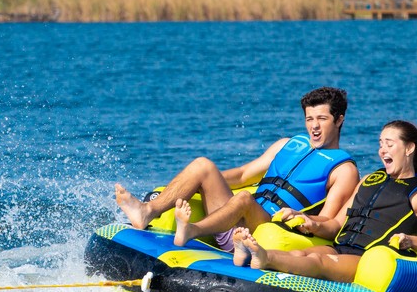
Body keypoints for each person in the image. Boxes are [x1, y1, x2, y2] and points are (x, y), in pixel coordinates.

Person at [113, 87, 360, 247]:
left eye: (322, 119)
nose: (314, 126)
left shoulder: (344, 170)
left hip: (265, 228)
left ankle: (191, 230)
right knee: (202, 165)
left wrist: (301, 218)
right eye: (309, 119)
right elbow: (243, 174)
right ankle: (147, 211)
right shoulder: (288, 144)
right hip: (233, 219)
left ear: (339, 120)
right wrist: (188, 184)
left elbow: (328, 219)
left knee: (243, 199)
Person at [232, 120, 417, 282]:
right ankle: (250, 255)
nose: (382, 150)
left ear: (409, 148)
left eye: (389, 144)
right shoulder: (368, 181)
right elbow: (336, 224)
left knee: (318, 262)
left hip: (364, 260)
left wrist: (411, 241)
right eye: (381, 144)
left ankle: (263, 257)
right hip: (340, 247)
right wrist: (310, 222)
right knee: (300, 253)